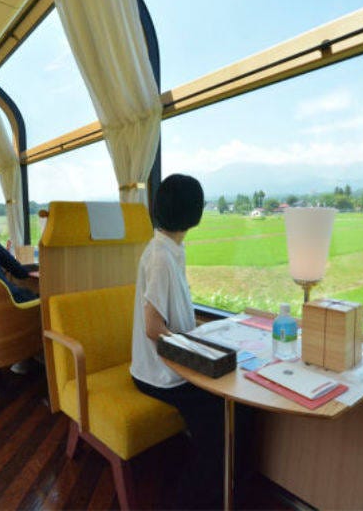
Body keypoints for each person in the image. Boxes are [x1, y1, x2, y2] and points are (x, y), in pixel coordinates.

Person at [130, 174, 250, 508]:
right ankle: (189, 500)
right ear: (193, 213)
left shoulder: (169, 250)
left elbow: (174, 316)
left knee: (234, 407)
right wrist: (196, 350)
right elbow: (153, 327)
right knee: (223, 415)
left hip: (167, 366)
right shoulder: (160, 258)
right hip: (158, 375)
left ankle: (226, 485)